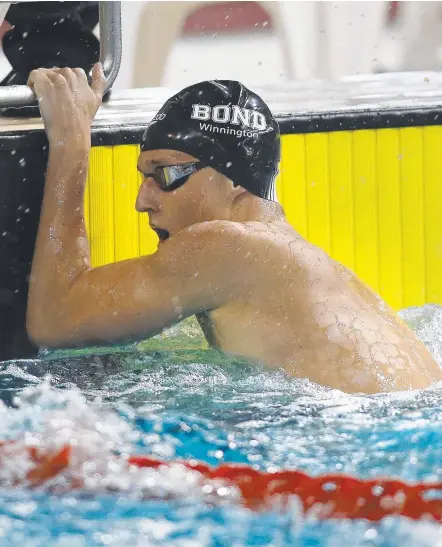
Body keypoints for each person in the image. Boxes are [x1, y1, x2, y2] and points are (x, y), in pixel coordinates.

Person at [25, 65, 442, 394]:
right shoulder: (300, 265)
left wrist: (72, 143)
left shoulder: (227, 246)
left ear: (235, 178)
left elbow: (53, 319)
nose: (142, 200)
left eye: (165, 174)